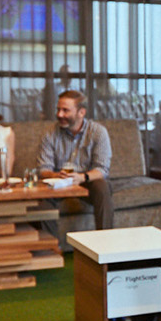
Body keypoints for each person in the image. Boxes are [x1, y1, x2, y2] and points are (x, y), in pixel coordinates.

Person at [38, 89, 114, 229]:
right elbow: (44, 169)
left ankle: (105, 238)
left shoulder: (98, 132)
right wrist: (56, 175)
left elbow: (102, 169)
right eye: (58, 109)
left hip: (87, 180)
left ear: (81, 112)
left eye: (65, 110)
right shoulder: (49, 134)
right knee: (41, 200)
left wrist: (82, 177)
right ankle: (51, 243)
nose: (59, 114)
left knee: (102, 186)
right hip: (59, 181)